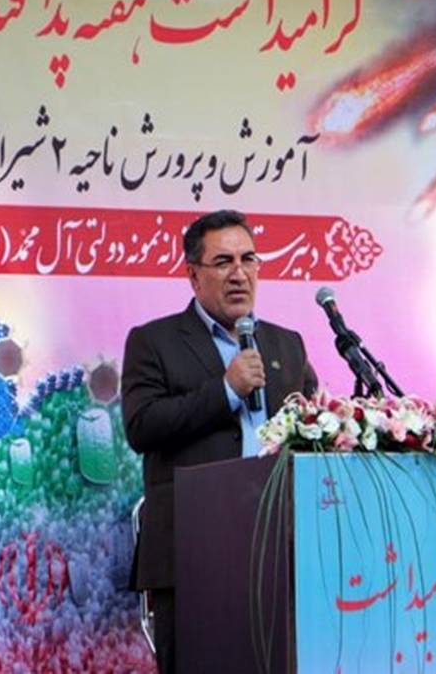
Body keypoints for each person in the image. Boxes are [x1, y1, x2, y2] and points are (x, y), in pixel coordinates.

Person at [120, 209, 318, 674]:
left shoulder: (286, 344)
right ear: (194, 275)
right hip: (193, 550)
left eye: (249, 259)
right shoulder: (154, 341)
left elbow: (310, 429)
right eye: (223, 262)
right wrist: (226, 390)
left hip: (278, 547)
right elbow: (142, 426)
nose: (239, 274)